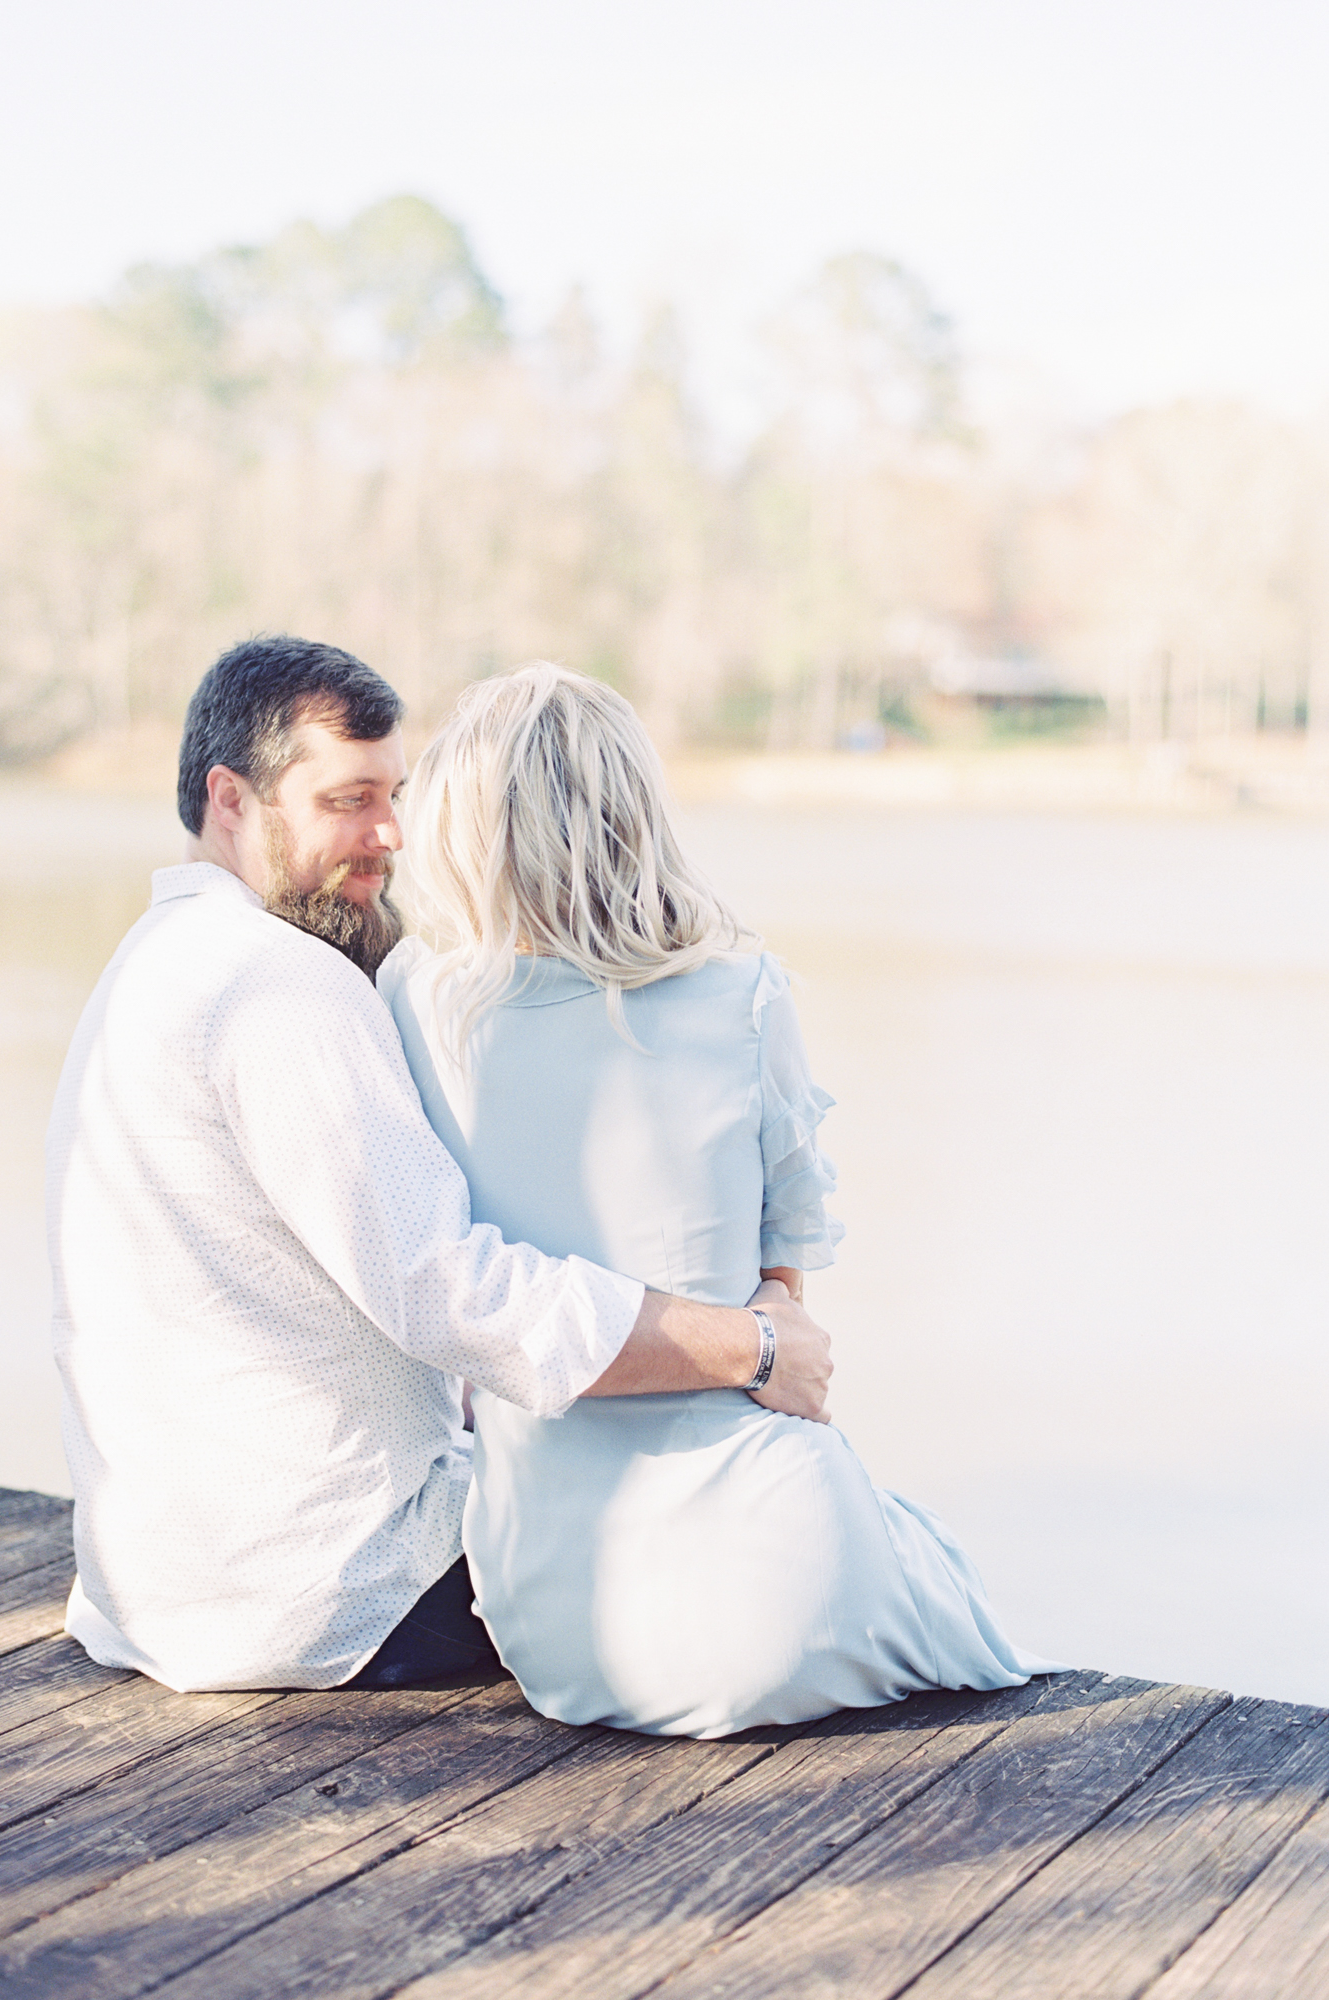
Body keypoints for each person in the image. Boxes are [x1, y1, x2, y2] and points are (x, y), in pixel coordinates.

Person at [46, 635, 834, 1694]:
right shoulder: (281, 986)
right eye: (348, 799)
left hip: (158, 1588)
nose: (390, 834)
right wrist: (750, 1343)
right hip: (338, 1594)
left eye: (397, 795)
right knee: (713, 1570)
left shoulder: (149, 964)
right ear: (230, 799)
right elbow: (449, 1290)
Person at [380, 663, 1060, 1737]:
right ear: (633, 811)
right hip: (786, 1581)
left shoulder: (416, 1000)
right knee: (940, 1569)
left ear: (463, 824)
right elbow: (786, 1284)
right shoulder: (744, 994)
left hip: (562, 1623)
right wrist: (756, 1334)